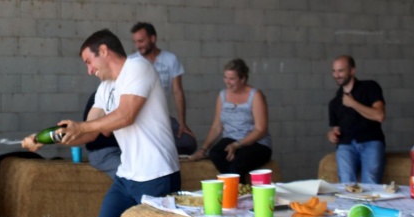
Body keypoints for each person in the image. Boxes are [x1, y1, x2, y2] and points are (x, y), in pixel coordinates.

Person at [22, 29, 181, 217]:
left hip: (156, 175)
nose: (89, 70)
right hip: (127, 175)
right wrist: (44, 139)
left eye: (88, 61)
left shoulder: (138, 68)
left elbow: (125, 115)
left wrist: (81, 126)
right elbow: (89, 133)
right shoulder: (105, 88)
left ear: (104, 51)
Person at [189, 59, 272, 183]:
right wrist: (203, 149)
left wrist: (237, 145)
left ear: (243, 78)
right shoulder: (222, 95)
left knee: (237, 164)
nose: (228, 82)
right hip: (231, 138)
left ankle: (236, 191)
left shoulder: (255, 96)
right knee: (215, 154)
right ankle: (239, 187)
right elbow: (217, 127)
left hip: (256, 142)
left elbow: (261, 129)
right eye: (225, 77)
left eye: (232, 79)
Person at [130, 22, 197, 155]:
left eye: (141, 41)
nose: (138, 46)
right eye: (136, 42)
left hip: (163, 118)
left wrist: (182, 123)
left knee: (188, 143)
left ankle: (158, 150)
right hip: (139, 120)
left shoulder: (170, 59)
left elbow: (178, 93)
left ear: (153, 38)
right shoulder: (131, 62)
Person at [326, 55, 386, 184]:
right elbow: (336, 129)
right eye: (334, 71)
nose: (337, 75)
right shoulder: (334, 102)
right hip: (346, 145)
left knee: (370, 181)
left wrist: (353, 103)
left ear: (352, 71)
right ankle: (348, 205)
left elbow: (379, 115)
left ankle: (367, 205)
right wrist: (332, 135)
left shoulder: (370, 87)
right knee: (346, 182)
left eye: (341, 70)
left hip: (371, 141)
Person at [82, 91, 121, 179]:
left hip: (117, 150)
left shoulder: (106, 93)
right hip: (105, 152)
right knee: (129, 179)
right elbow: (106, 131)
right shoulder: (106, 94)